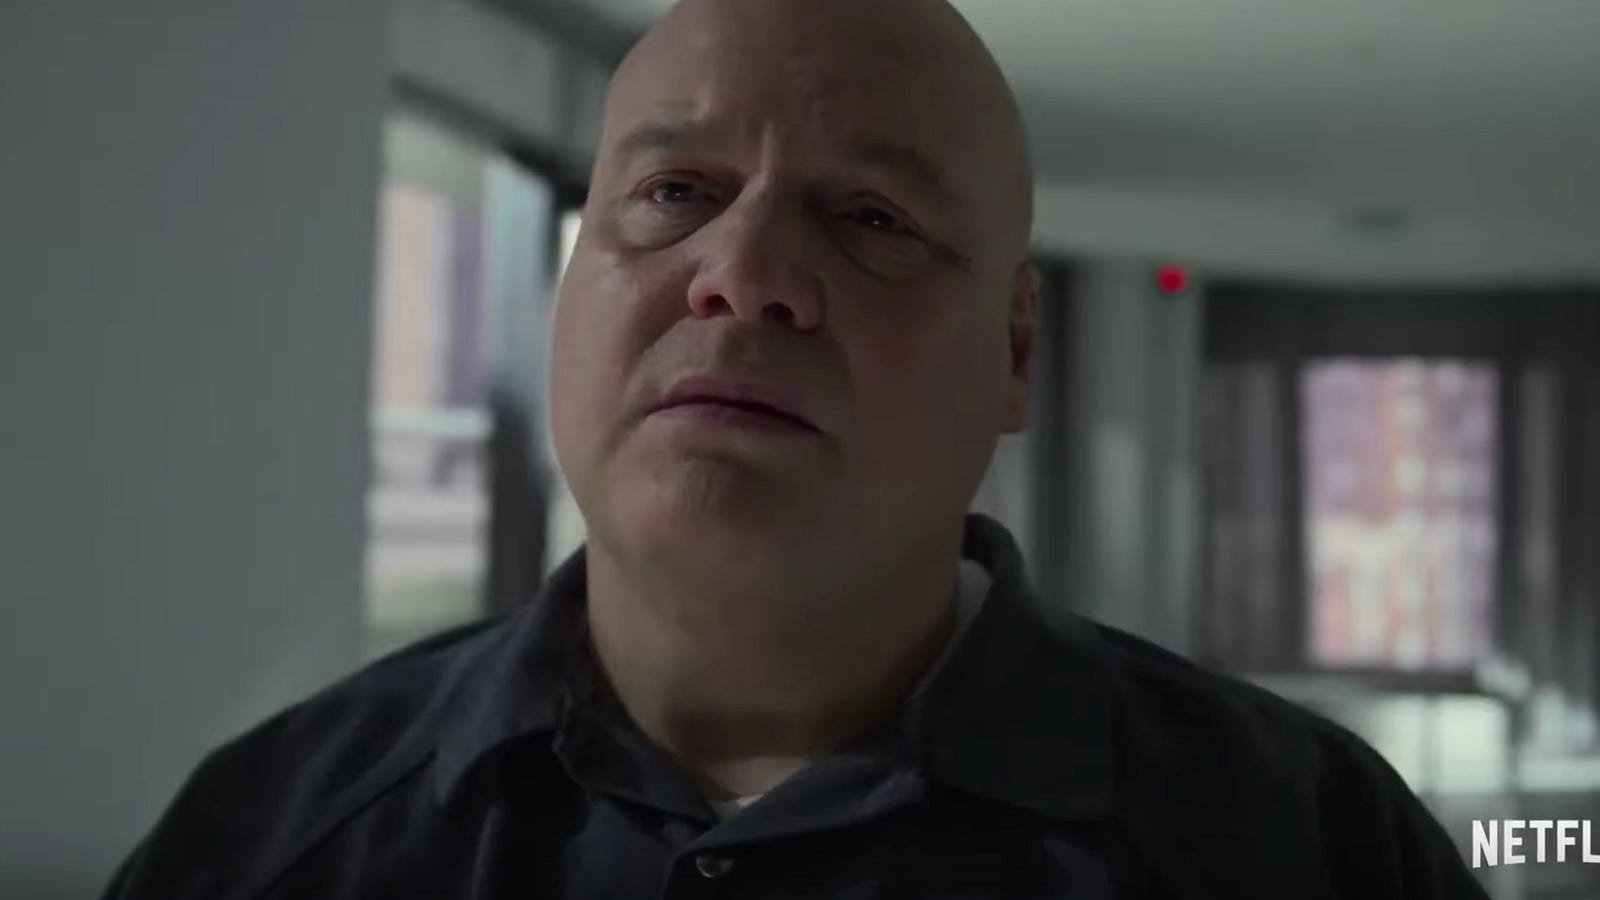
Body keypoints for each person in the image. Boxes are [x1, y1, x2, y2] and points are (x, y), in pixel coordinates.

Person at [103, 0, 1490, 897]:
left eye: (872, 218)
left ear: (1015, 353)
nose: (745, 273)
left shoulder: (1310, 846)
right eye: (675, 192)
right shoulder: (271, 839)